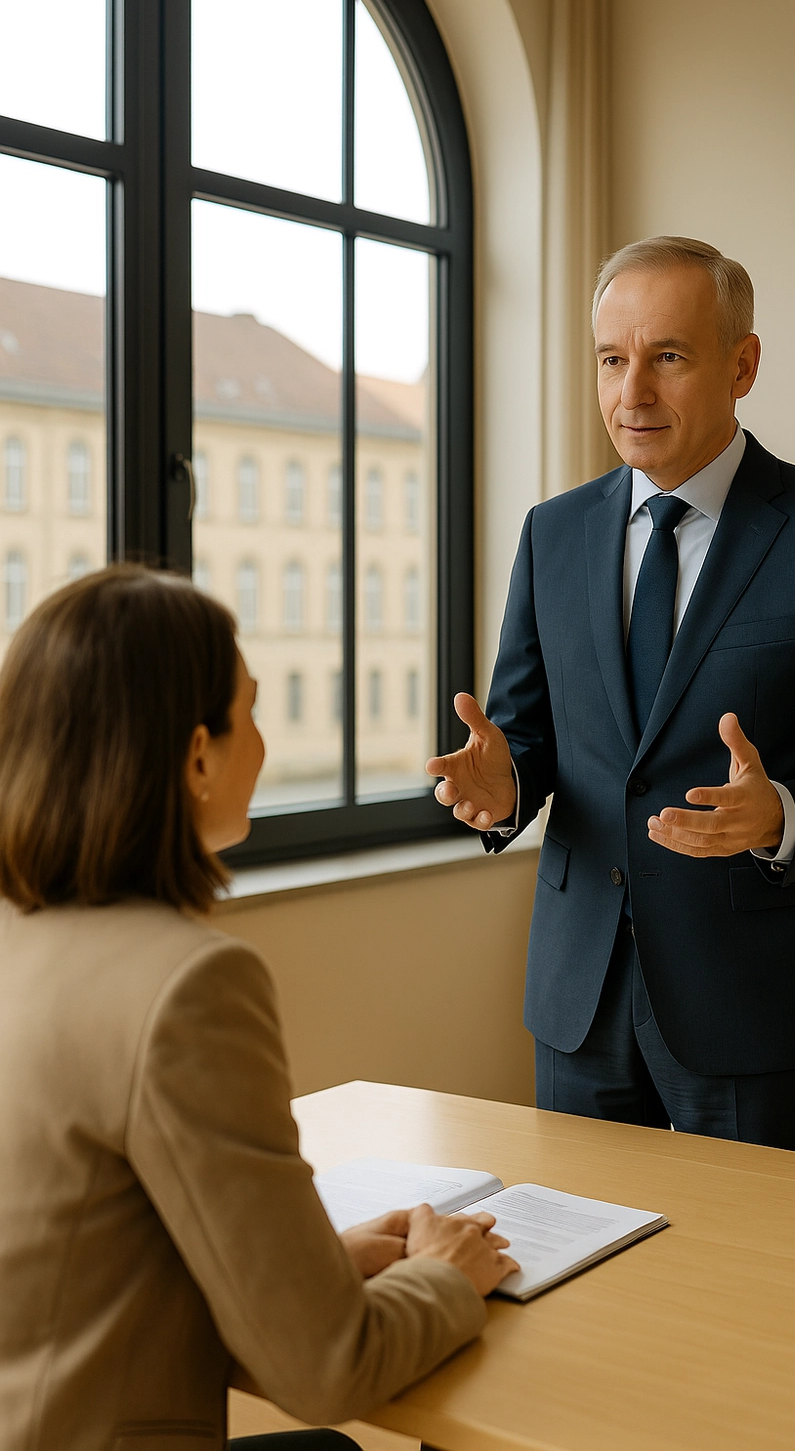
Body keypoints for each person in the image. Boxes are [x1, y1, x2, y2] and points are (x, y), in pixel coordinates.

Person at [427, 236, 795, 1155]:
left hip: (755, 1004)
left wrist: (780, 814)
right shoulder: (553, 534)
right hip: (578, 995)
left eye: (668, 357)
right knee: (583, 1281)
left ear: (742, 365)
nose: (633, 394)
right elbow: (532, 743)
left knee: (757, 1291)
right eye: (613, 360)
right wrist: (504, 791)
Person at [0, 565, 518, 1451]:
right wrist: (444, 1275)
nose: (266, 747)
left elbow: (78, 1254)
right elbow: (326, 1370)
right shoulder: (186, 985)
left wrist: (320, 1265)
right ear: (197, 756)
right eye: (251, 712)